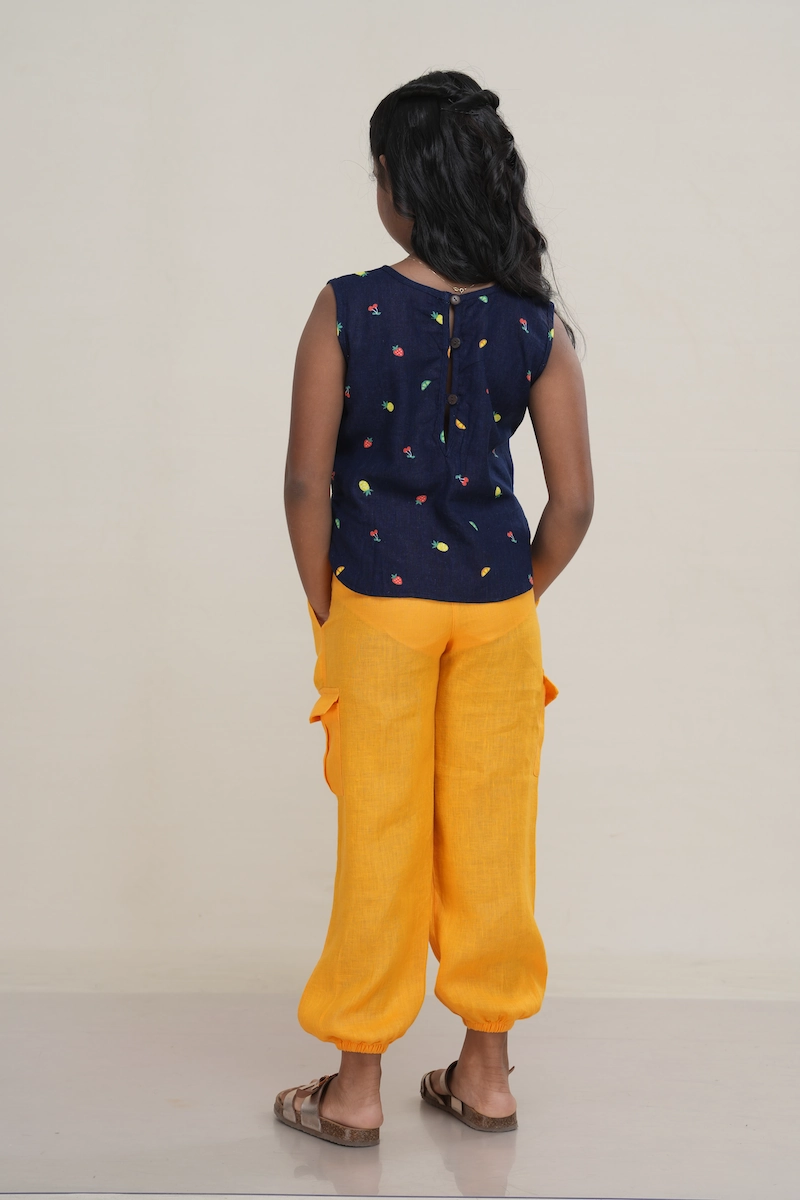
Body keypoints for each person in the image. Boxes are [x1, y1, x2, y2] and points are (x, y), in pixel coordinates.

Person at [279, 70, 593, 1148]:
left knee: (380, 839)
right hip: (499, 614)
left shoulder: (348, 305)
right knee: (493, 839)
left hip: (380, 608)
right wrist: (516, 596)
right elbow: (575, 499)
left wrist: (328, 610)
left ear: (399, 187)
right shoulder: (532, 321)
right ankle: (487, 1077)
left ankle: (356, 1090)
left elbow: (304, 485)